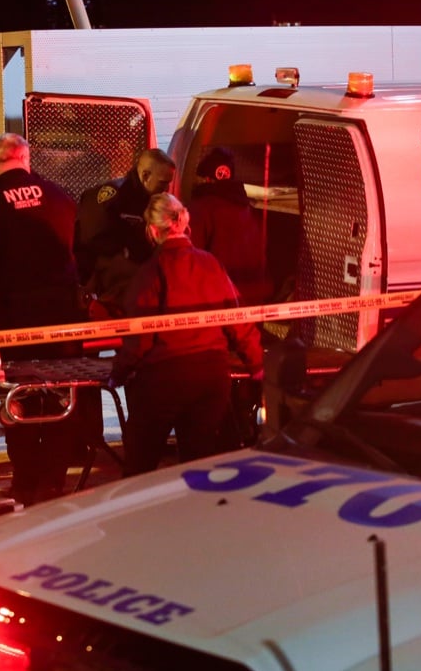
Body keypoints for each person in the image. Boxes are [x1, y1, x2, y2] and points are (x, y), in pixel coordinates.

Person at [0, 132, 97, 504]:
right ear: (25, 158)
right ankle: (54, 479)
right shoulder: (58, 196)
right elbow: (82, 252)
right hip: (61, 318)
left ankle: (25, 480)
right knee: (59, 395)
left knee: (18, 396)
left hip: (13, 319)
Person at [109, 193, 263, 475]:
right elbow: (239, 319)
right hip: (211, 377)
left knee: (139, 467)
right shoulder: (211, 264)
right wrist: (257, 366)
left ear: (152, 230)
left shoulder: (150, 273)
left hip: (162, 380)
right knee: (201, 466)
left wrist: (118, 374)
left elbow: (139, 338)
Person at [75, 148, 175, 316]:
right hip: (107, 286)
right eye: (163, 183)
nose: (167, 189)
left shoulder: (149, 201)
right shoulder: (112, 197)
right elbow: (91, 240)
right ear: (146, 176)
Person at [187, 147, 273, 306]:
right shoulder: (247, 208)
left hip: (221, 298)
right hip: (255, 296)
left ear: (206, 179)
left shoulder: (199, 209)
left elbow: (191, 257)